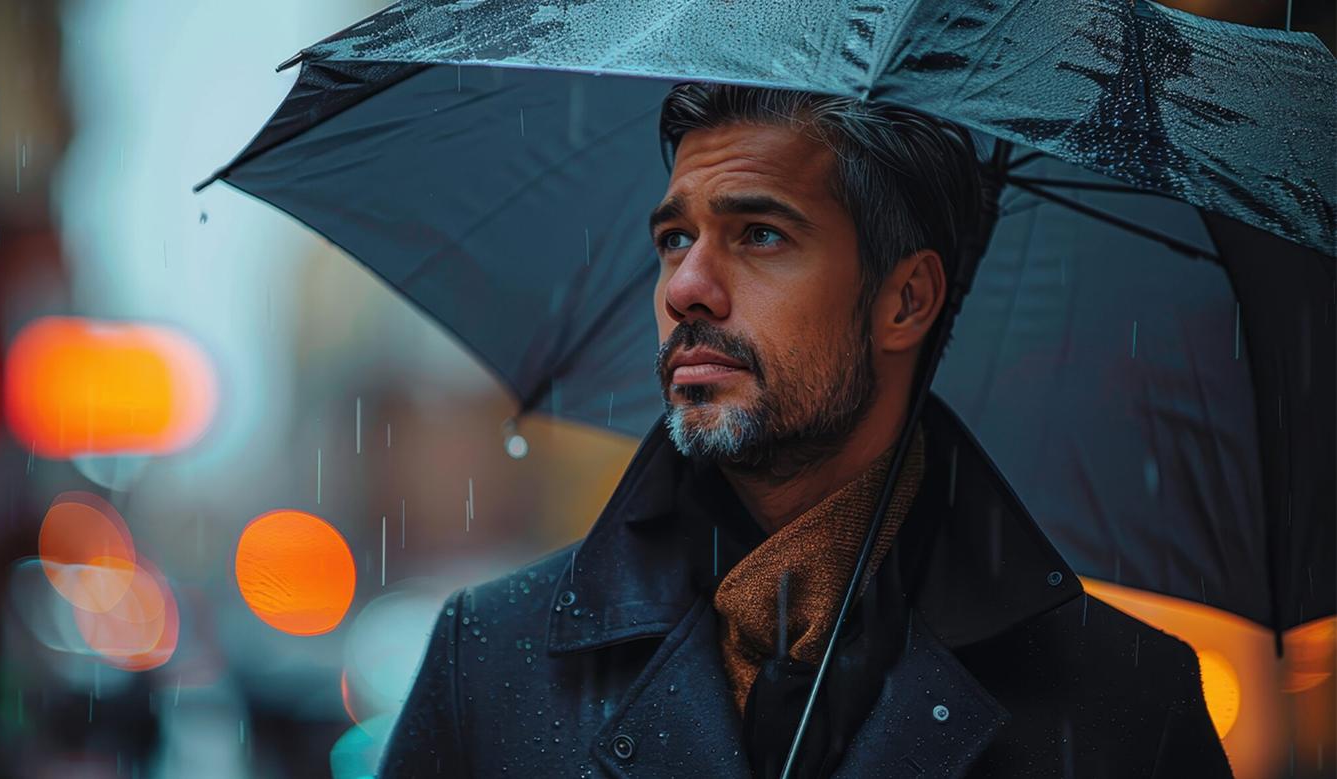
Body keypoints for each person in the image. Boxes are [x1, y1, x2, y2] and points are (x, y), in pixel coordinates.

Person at [378, 83, 1231, 778]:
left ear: (907, 300)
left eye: (760, 233)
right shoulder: (493, 661)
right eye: (675, 238)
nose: (687, 288)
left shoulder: (1121, 703)